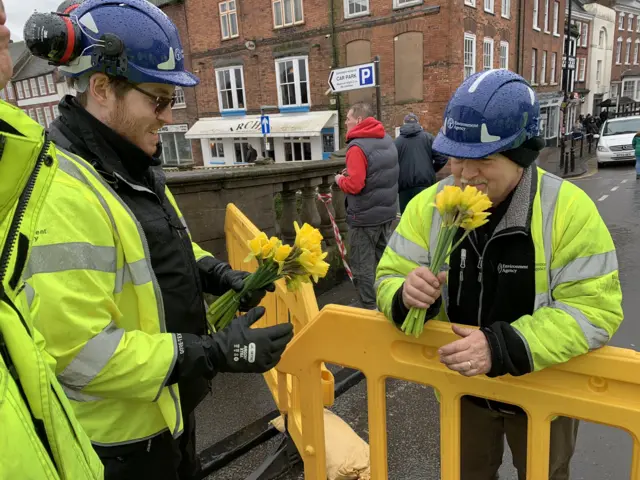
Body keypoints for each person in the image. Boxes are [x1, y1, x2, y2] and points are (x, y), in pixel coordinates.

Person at [23, 0, 293, 478]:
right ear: (103, 88)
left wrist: (216, 274)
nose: (169, 117)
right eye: (159, 100)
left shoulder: (129, 164)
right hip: (119, 444)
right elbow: (79, 353)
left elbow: (161, 247)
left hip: (164, 415)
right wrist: (209, 353)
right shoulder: (62, 191)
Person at [375, 70, 623, 480]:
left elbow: (595, 311)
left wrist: (501, 346)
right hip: (463, 392)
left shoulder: (570, 209)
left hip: (543, 389)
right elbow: (388, 277)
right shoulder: (427, 206)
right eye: (456, 158)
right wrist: (405, 295)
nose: (466, 175)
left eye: (484, 159)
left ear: (522, 155)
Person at [0, 1, 104, 478]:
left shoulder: (29, 166)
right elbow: (73, 346)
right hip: (119, 430)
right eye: (158, 99)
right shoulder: (51, 175)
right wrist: (191, 354)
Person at [335, 102, 399, 310]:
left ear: (359, 121)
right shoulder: (386, 139)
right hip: (386, 213)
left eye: (348, 118)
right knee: (382, 260)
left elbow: (355, 185)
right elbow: (378, 174)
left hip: (364, 218)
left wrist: (339, 180)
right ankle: (386, 300)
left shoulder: (356, 147)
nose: (346, 122)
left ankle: (369, 307)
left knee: (362, 266)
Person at [395, 112, 448, 213]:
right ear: (418, 123)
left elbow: (392, 165)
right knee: (425, 219)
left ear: (404, 124)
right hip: (425, 185)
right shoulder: (428, 138)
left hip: (405, 188)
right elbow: (442, 157)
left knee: (407, 221)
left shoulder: (397, 142)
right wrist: (432, 169)